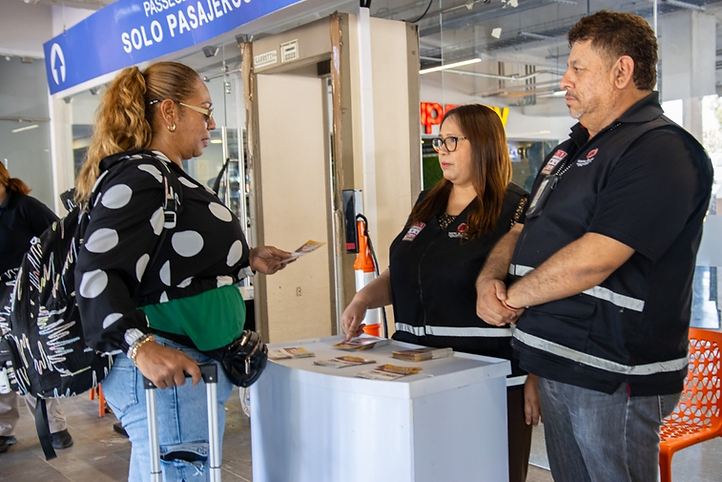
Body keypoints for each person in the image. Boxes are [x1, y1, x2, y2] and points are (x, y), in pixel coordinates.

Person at [475, 11, 714, 482]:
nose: (565, 80)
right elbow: (522, 232)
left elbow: (596, 259)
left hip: (610, 370)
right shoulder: (569, 152)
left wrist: (512, 298)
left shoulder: (660, 150)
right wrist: (489, 280)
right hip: (558, 359)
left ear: (622, 72)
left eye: (578, 68)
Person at [73, 61, 292, 481]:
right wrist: (140, 346)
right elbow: (96, 271)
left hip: (183, 372)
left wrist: (245, 259)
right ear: (170, 112)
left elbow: (168, 263)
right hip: (171, 372)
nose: (212, 123)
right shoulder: (143, 176)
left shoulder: (163, 176)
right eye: (205, 110)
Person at [341, 104, 537, 482]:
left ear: (483, 144)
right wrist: (362, 299)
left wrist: (537, 375)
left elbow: (538, 297)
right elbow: (405, 274)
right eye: (438, 141)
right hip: (415, 371)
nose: (441, 150)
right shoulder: (427, 203)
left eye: (452, 141)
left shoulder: (517, 209)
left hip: (488, 376)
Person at [0, 162, 73, 453]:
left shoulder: (25, 206)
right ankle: (3, 429)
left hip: (23, 297)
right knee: (1, 364)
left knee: (30, 359)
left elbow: (58, 237)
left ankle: (54, 425)